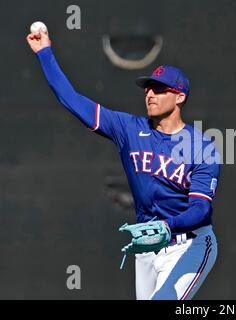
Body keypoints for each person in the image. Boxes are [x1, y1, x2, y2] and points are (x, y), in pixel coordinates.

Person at [26, 27, 220, 300]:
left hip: (189, 245)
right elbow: (72, 100)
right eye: (148, 88)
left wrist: (167, 226)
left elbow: (200, 209)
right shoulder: (128, 129)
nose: (150, 94)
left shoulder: (201, 147)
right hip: (146, 246)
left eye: (160, 89)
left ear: (180, 97)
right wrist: (44, 53)